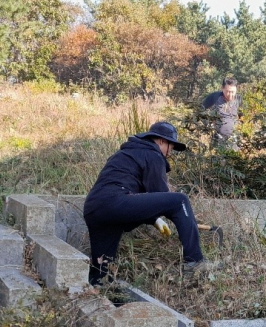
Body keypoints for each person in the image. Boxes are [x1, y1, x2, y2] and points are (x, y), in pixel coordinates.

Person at [83, 121, 218, 285]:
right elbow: (161, 195)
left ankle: (97, 294)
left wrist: (153, 219)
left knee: (102, 269)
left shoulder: (125, 153)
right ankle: (195, 262)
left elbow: (140, 198)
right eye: (172, 146)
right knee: (180, 200)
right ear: (161, 141)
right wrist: (183, 217)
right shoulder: (153, 154)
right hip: (116, 202)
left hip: (95, 208)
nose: (171, 152)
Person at [201, 77, 241, 149]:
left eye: (233, 92)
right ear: (222, 88)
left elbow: (243, 116)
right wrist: (208, 125)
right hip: (218, 138)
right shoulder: (214, 97)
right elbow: (200, 111)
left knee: (234, 158)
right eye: (228, 91)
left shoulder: (238, 99)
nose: (230, 94)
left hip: (233, 138)